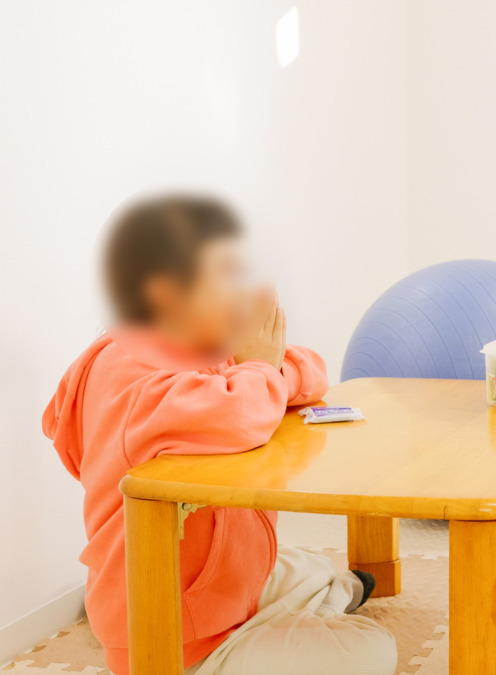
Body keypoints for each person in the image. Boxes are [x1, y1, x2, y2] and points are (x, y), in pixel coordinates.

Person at [43, 195, 398, 675]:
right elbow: (241, 414)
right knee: (372, 650)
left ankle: (297, 609)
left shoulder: (199, 344)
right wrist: (261, 370)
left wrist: (265, 367)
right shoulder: (129, 375)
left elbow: (311, 373)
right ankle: (289, 625)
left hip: (225, 581)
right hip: (176, 631)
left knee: (309, 565)